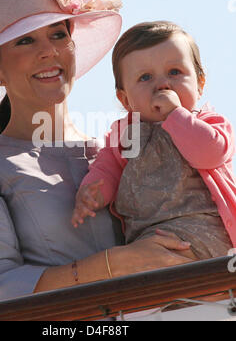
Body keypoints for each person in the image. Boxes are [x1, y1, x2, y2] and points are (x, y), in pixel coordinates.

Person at [0, 0, 193, 307]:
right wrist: (113, 265)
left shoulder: (119, 148)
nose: (49, 51)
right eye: (26, 40)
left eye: (59, 34)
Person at [72, 21, 236, 260]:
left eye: (175, 72)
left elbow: (209, 153)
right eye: (145, 77)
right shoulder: (125, 136)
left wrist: (175, 115)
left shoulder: (208, 122)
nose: (162, 84)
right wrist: (92, 193)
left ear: (200, 83)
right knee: (142, 266)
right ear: (125, 99)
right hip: (149, 238)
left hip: (206, 231)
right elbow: (105, 169)